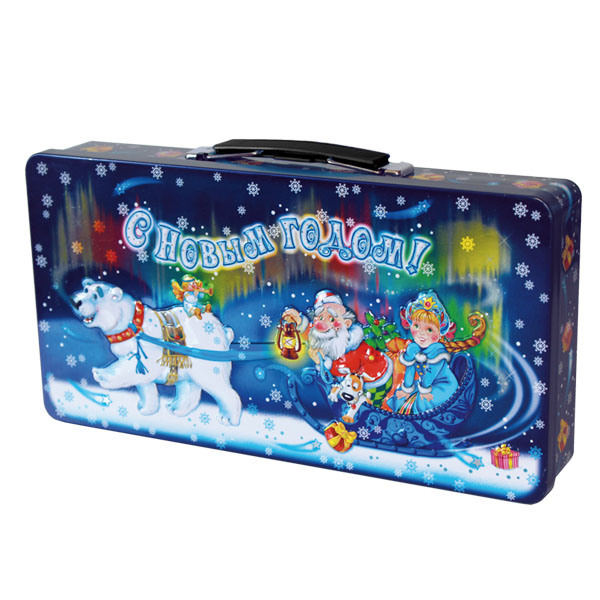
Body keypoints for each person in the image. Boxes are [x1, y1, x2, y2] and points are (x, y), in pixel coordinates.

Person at [282, 290, 394, 407]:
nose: (323, 324)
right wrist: (299, 320)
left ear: (346, 323)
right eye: (320, 318)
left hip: (375, 381)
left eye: (331, 319)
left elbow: (343, 369)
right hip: (352, 384)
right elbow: (313, 333)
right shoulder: (325, 335)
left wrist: (322, 363)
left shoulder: (347, 345)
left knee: (368, 405)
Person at [394, 291, 458, 414]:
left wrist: (424, 390)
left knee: (422, 402)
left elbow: (431, 373)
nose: (421, 333)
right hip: (424, 384)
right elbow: (410, 369)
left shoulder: (437, 352)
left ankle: (417, 420)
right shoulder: (413, 348)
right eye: (416, 326)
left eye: (429, 329)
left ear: (439, 333)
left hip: (443, 385)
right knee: (399, 397)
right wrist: (407, 388)